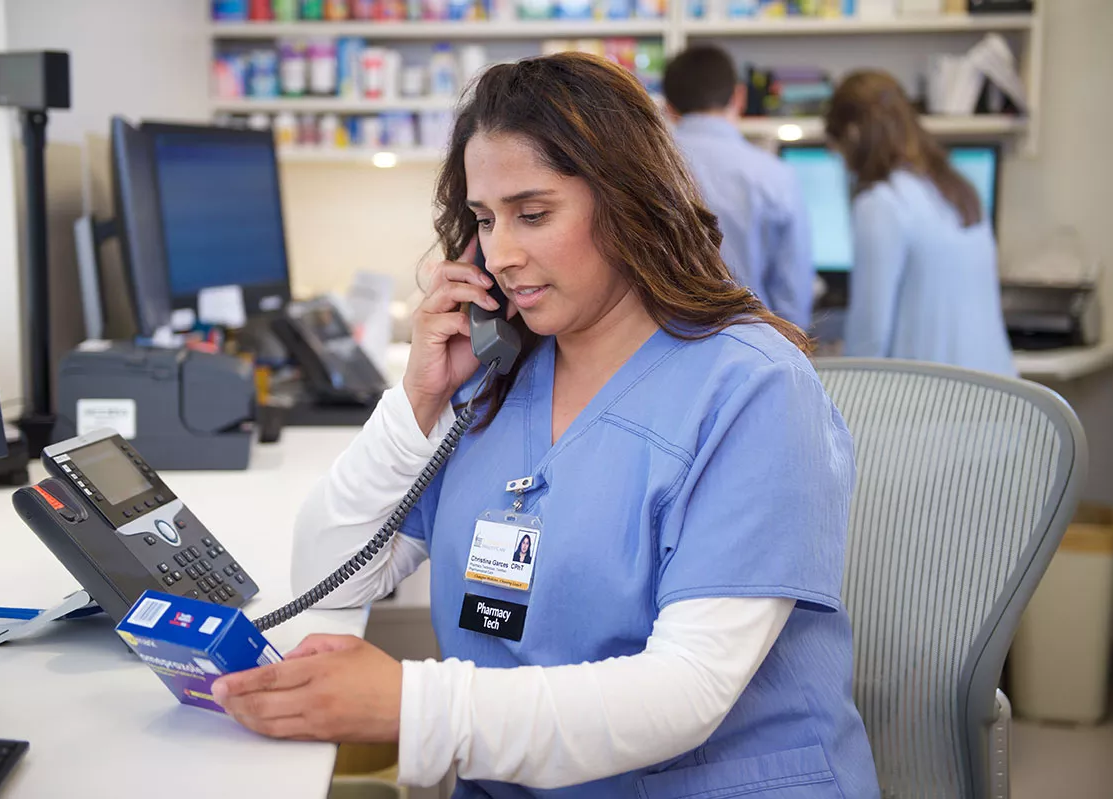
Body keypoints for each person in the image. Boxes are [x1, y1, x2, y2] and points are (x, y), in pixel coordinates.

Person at [212, 53, 879, 798]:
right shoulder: (495, 378)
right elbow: (325, 574)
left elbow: (686, 691)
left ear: (628, 202)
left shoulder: (752, 389)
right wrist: (415, 404)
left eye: (533, 214)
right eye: (484, 220)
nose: (502, 254)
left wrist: (415, 705)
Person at [824, 69, 1016, 375]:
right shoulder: (957, 189)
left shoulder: (881, 203)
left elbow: (869, 337)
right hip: (999, 397)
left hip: (935, 408)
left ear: (853, 134)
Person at [664, 45, 815, 329]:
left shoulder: (646, 169)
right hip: (754, 347)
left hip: (663, 349)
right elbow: (793, 296)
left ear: (668, 107)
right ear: (739, 96)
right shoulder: (776, 176)